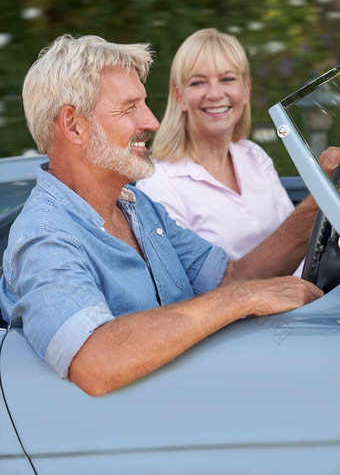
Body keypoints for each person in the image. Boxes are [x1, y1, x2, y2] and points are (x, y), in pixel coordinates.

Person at [0, 34, 334, 398]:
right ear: (73, 125)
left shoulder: (136, 207)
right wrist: (242, 299)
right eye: (130, 108)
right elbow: (94, 360)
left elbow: (231, 277)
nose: (153, 121)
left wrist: (322, 196)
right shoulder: (45, 237)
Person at [136, 28, 308, 271]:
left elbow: (301, 249)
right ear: (181, 97)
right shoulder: (158, 184)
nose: (215, 94)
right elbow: (196, 287)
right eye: (198, 82)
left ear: (246, 90)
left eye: (227, 79)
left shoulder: (254, 156)